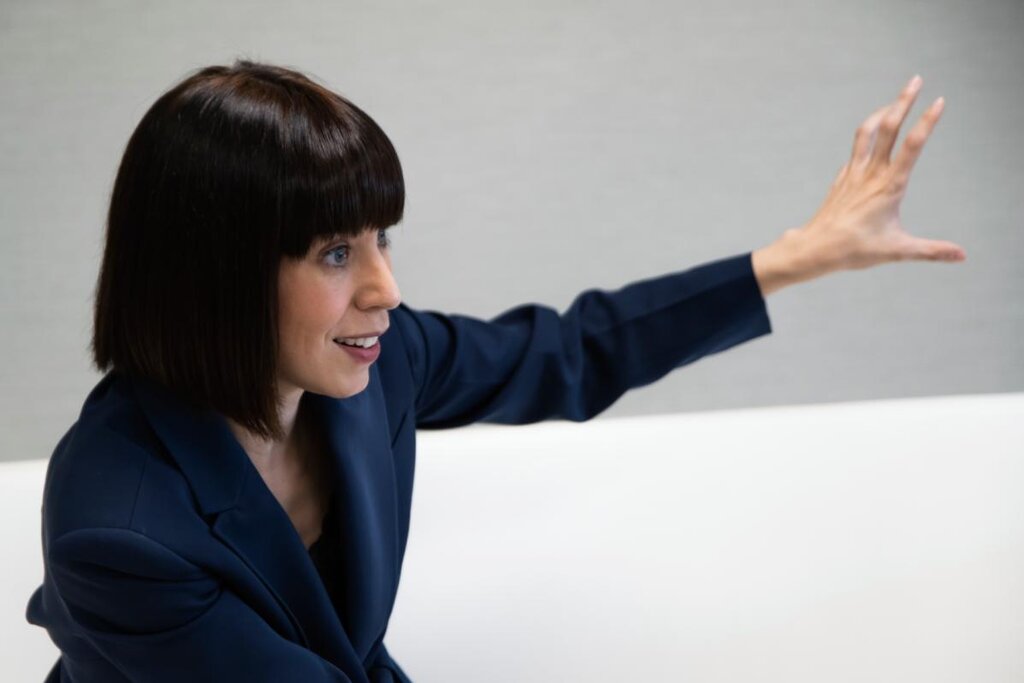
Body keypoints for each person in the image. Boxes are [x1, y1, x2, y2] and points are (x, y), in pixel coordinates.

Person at [24, 60, 964, 682]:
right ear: (215, 276)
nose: (387, 288)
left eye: (382, 239)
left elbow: (569, 350)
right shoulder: (118, 528)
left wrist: (797, 256)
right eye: (336, 253)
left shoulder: (370, 367)